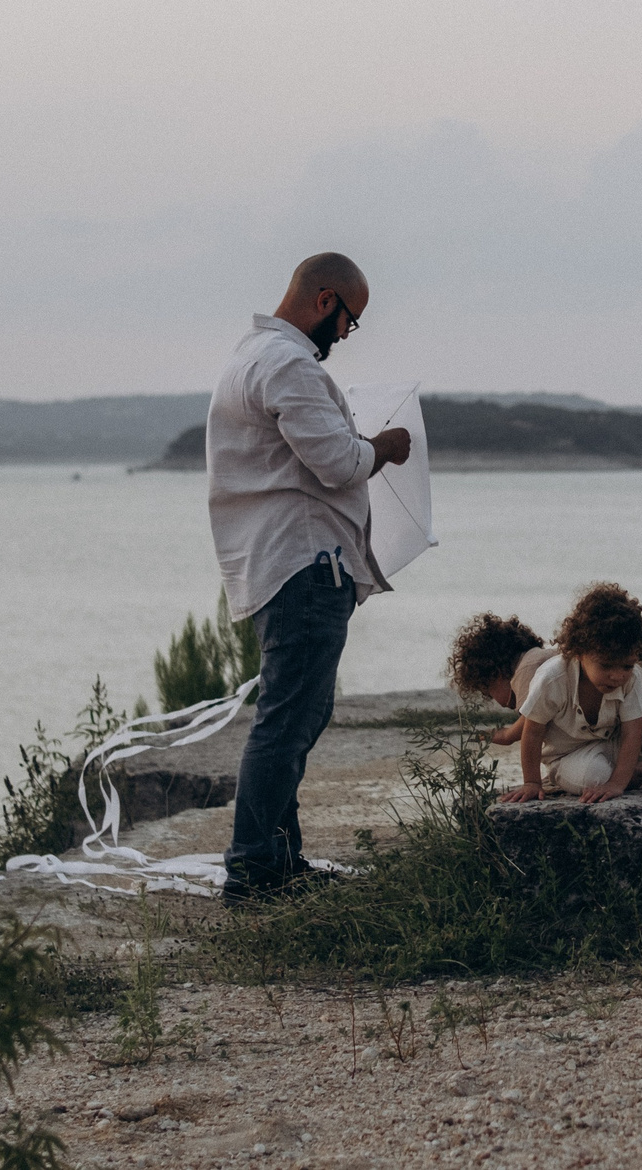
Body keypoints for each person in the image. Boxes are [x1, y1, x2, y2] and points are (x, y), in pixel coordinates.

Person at [208, 251, 412, 901]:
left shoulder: (251, 356)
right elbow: (338, 464)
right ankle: (252, 871)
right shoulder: (289, 364)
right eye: (350, 319)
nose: (347, 334)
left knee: (298, 716)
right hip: (305, 564)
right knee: (287, 722)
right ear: (326, 301)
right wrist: (385, 447)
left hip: (281, 563)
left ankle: (278, 860)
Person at [493, 584, 642, 804]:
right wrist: (532, 782)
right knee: (595, 778)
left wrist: (617, 784)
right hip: (569, 756)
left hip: (612, 743)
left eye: (627, 666)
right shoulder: (552, 679)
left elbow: (632, 734)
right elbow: (532, 732)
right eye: (606, 665)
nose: (617, 676)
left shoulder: (630, 678)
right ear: (579, 652)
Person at [445, 609, 642, 780]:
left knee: (603, 757)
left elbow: (529, 726)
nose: (498, 703)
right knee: (619, 734)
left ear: (496, 673)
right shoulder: (548, 658)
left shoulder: (525, 671)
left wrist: (505, 735)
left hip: (640, 699)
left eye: (489, 692)